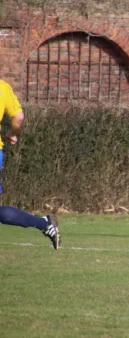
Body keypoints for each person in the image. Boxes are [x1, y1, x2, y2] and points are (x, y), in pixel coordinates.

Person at [0, 79, 60, 250]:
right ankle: (44, 224)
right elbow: (18, 117)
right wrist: (12, 133)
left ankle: (44, 223)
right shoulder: (2, 87)